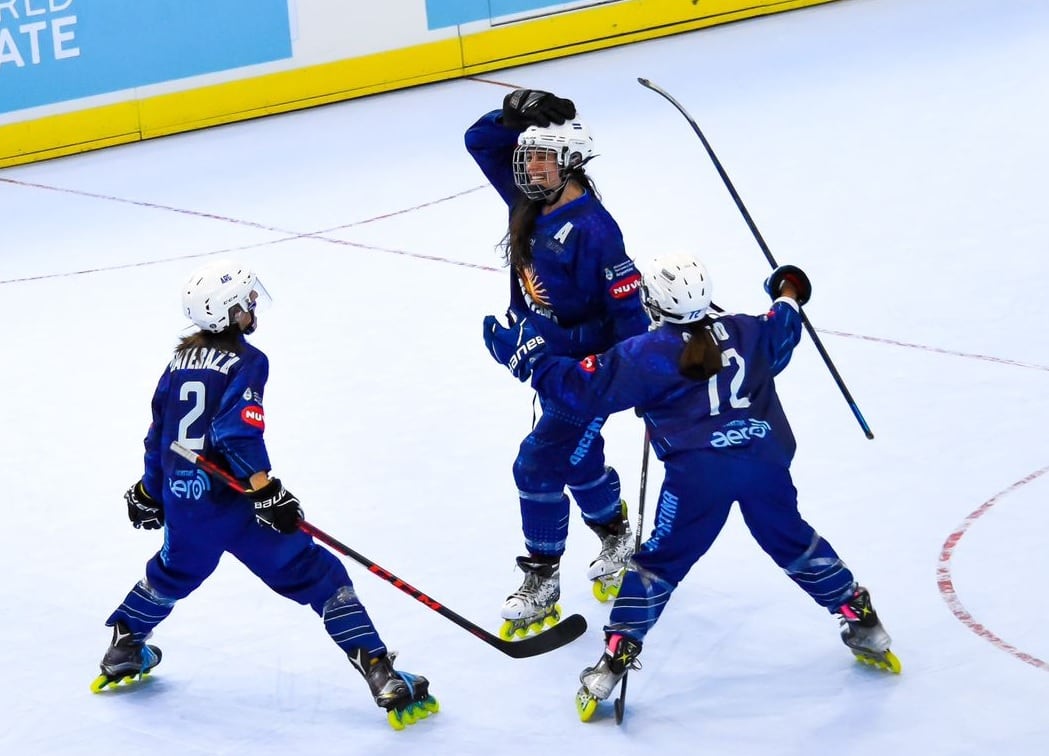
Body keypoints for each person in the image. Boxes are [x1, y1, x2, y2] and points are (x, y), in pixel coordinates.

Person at [483, 251, 899, 720]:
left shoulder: (647, 353)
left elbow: (581, 389)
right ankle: (863, 620)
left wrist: (529, 357)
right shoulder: (748, 329)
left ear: (655, 305)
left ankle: (612, 662)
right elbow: (785, 321)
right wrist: (789, 288)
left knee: (659, 564)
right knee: (794, 542)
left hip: (700, 478)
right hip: (766, 462)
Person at [92, 260, 438, 731]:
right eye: (246, 301)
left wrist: (150, 489)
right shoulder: (248, 360)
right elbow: (236, 433)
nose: (253, 306)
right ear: (227, 312)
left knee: (173, 571)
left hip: (184, 501)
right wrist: (266, 491)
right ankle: (381, 672)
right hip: (234, 505)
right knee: (320, 577)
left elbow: (159, 434)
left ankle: (125, 646)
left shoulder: (176, 363)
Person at [467, 88, 652, 639]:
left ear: (570, 162)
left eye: (541, 156)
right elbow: (480, 141)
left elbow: (629, 315)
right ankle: (618, 534)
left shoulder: (596, 230)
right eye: (526, 155)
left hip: (587, 375)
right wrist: (516, 114)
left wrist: (640, 381)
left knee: (538, 465)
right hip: (548, 365)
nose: (528, 165)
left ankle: (542, 577)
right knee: (576, 459)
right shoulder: (528, 201)